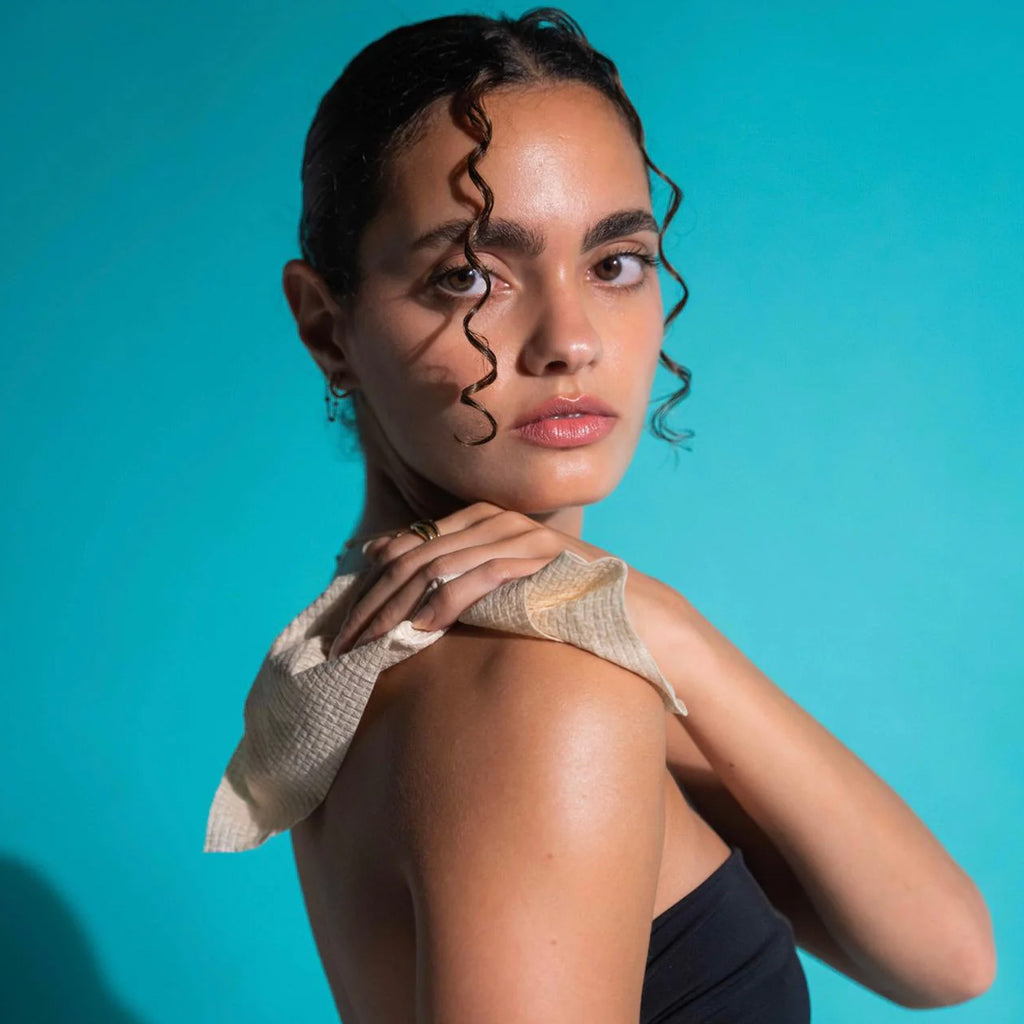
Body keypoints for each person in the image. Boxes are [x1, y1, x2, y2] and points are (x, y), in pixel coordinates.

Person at [258, 7, 994, 1022]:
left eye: (614, 263)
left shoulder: (382, 658)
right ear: (325, 325)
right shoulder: (540, 696)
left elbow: (945, 959)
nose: (570, 339)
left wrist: (653, 621)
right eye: (470, 276)